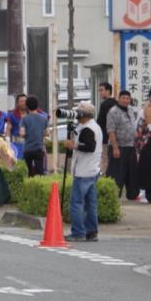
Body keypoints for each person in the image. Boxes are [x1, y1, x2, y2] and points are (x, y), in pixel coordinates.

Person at [63, 103, 103, 242]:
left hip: (83, 171)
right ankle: (92, 232)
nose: (76, 116)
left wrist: (74, 145)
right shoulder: (95, 126)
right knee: (91, 203)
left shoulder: (87, 129)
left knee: (76, 203)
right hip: (92, 170)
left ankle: (78, 232)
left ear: (83, 115)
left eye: (78, 113)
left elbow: (90, 147)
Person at [105, 90, 140, 201]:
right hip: (118, 146)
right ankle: (114, 195)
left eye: (127, 98)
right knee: (116, 173)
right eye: (123, 98)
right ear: (119, 99)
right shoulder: (113, 111)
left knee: (132, 172)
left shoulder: (130, 110)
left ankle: (133, 194)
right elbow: (111, 130)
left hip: (130, 146)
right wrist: (115, 148)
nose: (125, 100)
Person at [18, 95, 49, 177]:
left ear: (27, 106)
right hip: (39, 148)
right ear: (37, 105)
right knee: (40, 172)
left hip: (28, 149)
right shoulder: (44, 118)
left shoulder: (24, 119)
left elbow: (22, 133)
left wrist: (26, 134)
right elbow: (47, 133)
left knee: (28, 172)